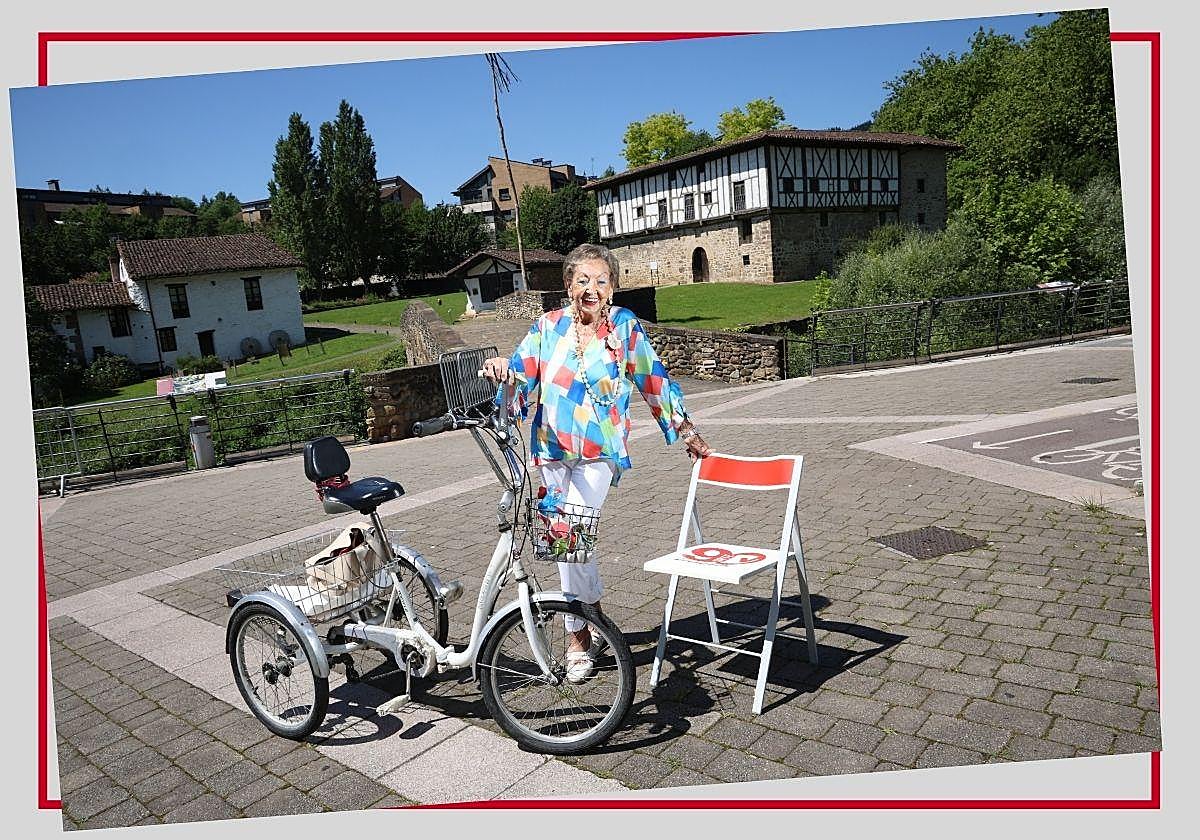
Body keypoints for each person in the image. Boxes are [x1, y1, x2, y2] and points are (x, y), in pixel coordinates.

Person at [482, 242, 711, 682]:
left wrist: (686, 430)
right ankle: (592, 620)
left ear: (613, 287)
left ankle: (578, 638)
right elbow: (519, 376)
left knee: (570, 533)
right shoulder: (547, 327)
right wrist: (503, 371)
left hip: (599, 453)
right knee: (569, 544)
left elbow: (653, 378)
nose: (591, 289)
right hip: (550, 449)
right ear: (568, 284)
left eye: (601, 281)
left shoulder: (623, 326)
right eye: (582, 280)